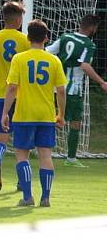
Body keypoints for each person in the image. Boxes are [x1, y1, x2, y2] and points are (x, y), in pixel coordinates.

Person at [1, 19, 67, 208]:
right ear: (46, 38)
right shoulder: (54, 60)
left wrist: (5, 112)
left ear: (28, 38)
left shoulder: (19, 59)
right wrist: (61, 114)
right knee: (45, 155)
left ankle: (28, 197)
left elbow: (12, 88)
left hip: (24, 114)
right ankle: (45, 197)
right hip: (46, 115)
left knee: (22, 154)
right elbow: (61, 91)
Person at [45, 14, 107, 167]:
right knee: (74, 123)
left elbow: (47, 51)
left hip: (57, 86)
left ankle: (43, 150)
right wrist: (102, 82)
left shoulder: (65, 37)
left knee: (56, 119)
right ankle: (70, 159)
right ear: (93, 28)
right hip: (73, 90)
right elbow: (85, 66)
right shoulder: (88, 44)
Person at [0, 1, 29, 191]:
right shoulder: (25, 40)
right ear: (18, 19)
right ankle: (20, 182)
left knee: (1, 138)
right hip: (22, 96)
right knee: (21, 142)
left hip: (1, 95)